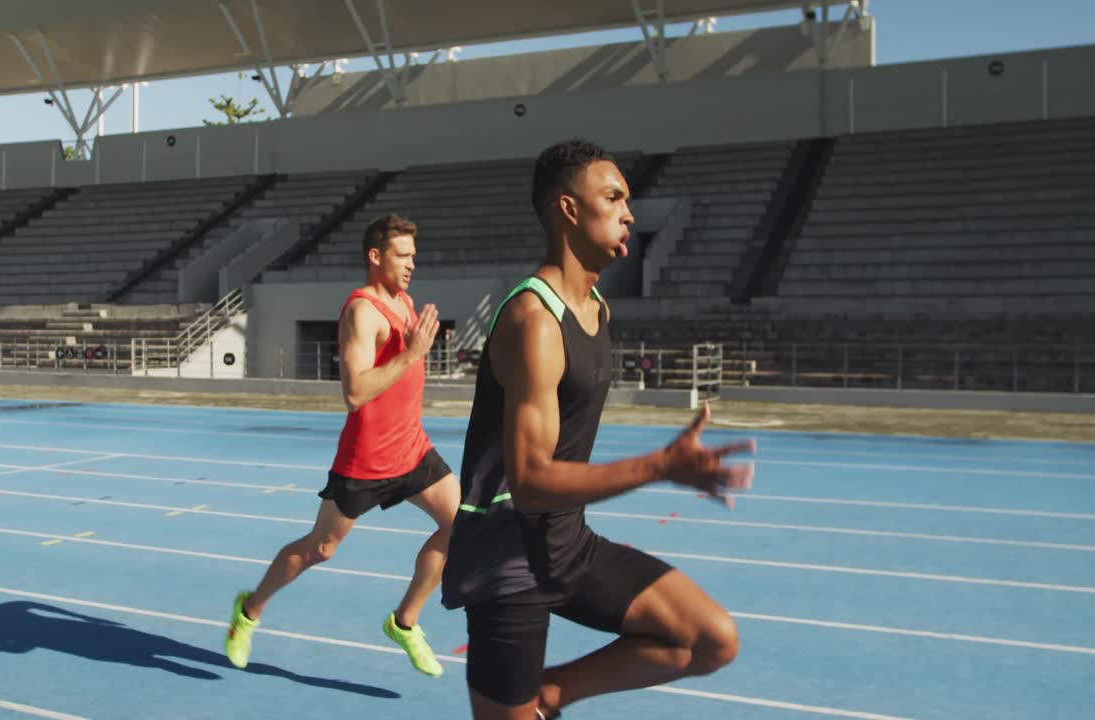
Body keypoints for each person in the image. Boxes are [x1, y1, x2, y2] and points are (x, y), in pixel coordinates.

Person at [440, 139, 757, 719]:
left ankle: (549, 694)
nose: (629, 213)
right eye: (612, 197)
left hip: (567, 542)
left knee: (709, 637)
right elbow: (531, 481)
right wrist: (659, 466)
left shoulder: (595, 310)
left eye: (627, 200)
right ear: (568, 209)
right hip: (508, 557)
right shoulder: (534, 320)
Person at [225, 213, 460, 678]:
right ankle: (248, 611)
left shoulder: (406, 302)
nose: (413, 263)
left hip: (412, 450)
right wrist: (411, 354)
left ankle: (404, 622)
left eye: (415, 255)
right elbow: (354, 393)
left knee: (465, 525)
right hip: (366, 461)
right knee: (321, 548)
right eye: (403, 255)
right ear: (376, 257)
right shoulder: (363, 312)